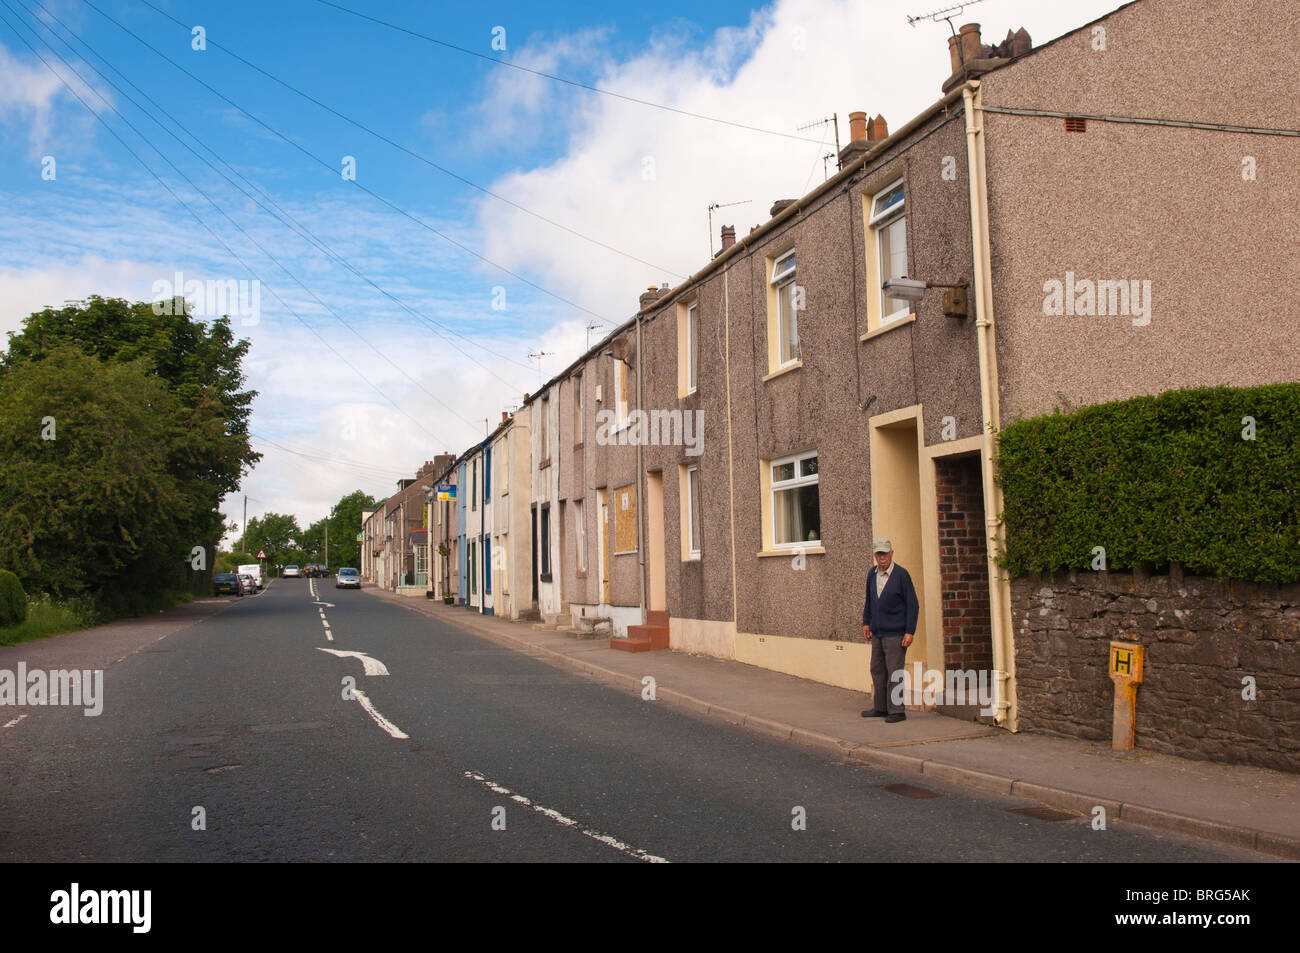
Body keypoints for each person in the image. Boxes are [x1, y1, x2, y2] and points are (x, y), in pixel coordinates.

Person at [861, 538, 919, 723]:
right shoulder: (872, 574)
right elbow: (869, 601)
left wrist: (909, 631)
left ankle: (897, 710)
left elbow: (913, 605)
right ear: (875, 555)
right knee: (877, 670)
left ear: (891, 553)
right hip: (877, 631)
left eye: (885, 553)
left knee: (894, 672)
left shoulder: (901, 575)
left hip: (896, 633)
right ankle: (881, 707)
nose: (882, 557)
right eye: (879, 554)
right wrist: (866, 623)